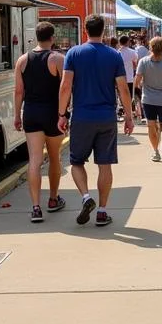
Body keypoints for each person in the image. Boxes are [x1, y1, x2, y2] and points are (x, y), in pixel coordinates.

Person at [58, 14, 134, 227]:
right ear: (104, 31)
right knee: (105, 164)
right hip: (106, 118)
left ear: (85, 30)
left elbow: (65, 86)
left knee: (76, 162)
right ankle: (102, 211)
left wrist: (61, 114)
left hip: (82, 117)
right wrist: (128, 116)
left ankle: (85, 197)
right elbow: (123, 90)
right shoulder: (114, 55)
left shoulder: (74, 53)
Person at [14, 22, 66, 223]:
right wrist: (64, 113)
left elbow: (19, 91)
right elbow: (65, 88)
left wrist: (17, 115)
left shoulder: (22, 60)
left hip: (31, 113)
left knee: (34, 160)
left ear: (36, 37)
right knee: (54, 157)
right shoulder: (57, 59)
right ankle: (53, 199)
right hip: (53, 113)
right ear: (52, 38)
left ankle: (36, 207)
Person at [137, 36, 162, 161]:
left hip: (148, 98)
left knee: (151, 125)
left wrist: (140, 86)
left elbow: (137, 80)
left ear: (150, 48)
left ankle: (155, 152)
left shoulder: (143, 62)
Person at [117, 34, 139, 114]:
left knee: (120, 95)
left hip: (119, 78)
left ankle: (123, 109)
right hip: (129, 77)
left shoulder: (117, 53)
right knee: (129, 95)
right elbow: (135, 64)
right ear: (127, 42)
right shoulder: (132, 52)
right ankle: (128, 110)